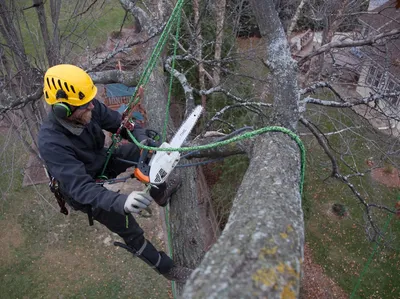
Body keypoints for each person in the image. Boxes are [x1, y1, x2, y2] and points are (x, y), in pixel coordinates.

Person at [38, 64, 192, 282]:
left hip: (100, 160)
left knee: (141, 153)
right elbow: (81, 188)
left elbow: (122, 124)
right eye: (85, 105)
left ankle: (161, 193)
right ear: (64, 109)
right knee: (128, 227)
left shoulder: (88, 105)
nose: (92, 106)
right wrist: (122, 202)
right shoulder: (50, 142)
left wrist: (144, 141)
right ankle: (169, 270)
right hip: (82, 190)